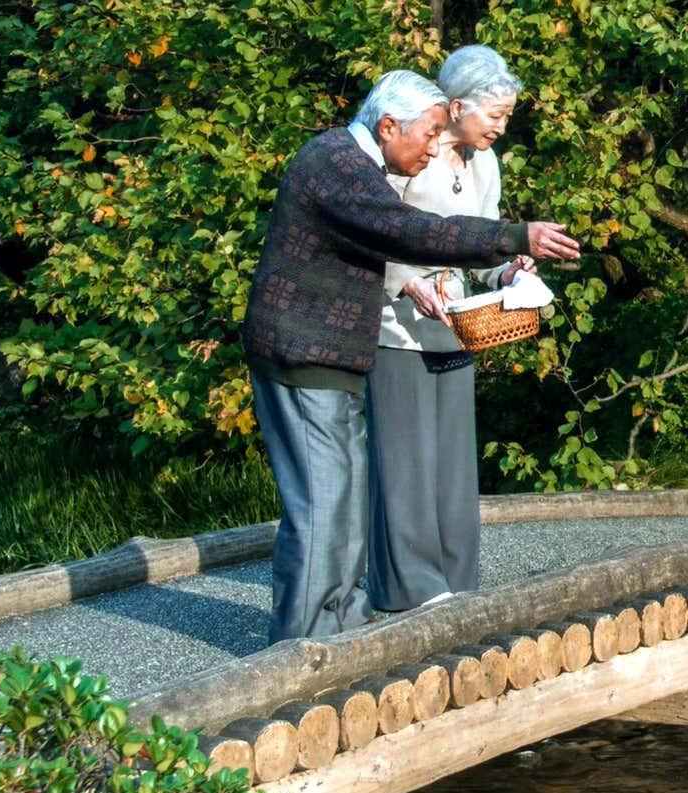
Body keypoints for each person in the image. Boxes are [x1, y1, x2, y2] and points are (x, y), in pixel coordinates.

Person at [241, 70, 579, 644]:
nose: (431, 146)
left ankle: (345, 625)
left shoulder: (361, 164)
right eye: (426, 134)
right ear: (388, 125)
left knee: (346, 501)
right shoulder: (336, 163)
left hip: (334, 357)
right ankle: (299, 650)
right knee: (323, 505)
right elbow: (410, 232)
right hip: (301, 353)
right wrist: (516, 236)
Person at [365, 47, 528, 613]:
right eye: (494, 115)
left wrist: (507, 267)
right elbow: (373, 232)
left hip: (455, 323)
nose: (502, 127)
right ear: (457, 106)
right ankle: (411, 590)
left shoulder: (486, 165)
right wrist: (409, 280)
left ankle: (458, 585)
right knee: (406, 460)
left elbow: (478, 248)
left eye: (506, 116)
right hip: (396, 328)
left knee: (454, 463)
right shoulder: (413, 152)